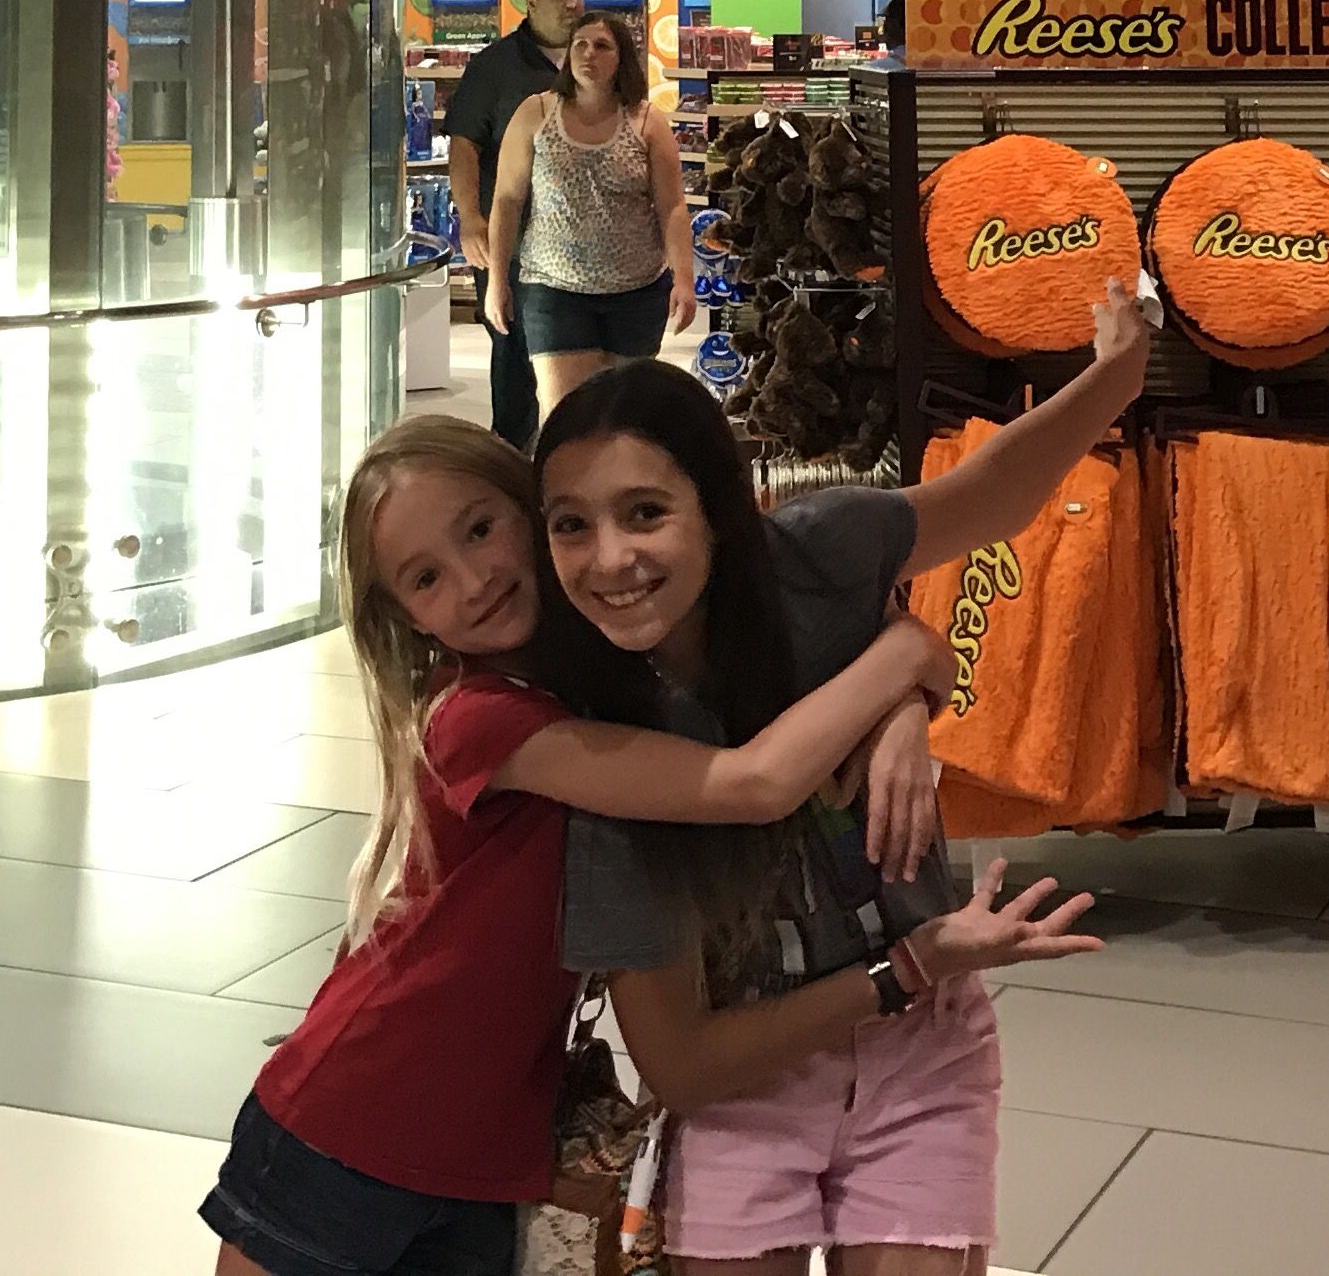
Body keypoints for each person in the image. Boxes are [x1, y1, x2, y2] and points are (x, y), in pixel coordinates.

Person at [204, 418, 1104, 1276]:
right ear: (406, 617)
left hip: (486, 1151)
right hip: (349, 1121)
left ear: (533, 510)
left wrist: (906, 686)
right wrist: (906, 660)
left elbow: (853, 627)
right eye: (427, 578)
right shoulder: (480, 717)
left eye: (480, 529)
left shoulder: (597, 677)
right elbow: (754, 782)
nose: (473, 580)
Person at [530, 284, 1155, 1276]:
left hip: (922, 1060)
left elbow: (994, 494)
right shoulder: (594, 743)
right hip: (748, 1079)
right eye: (571, 525)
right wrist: (906, 669)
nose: (611, 559)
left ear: (718, 513)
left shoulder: (812, 561)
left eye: (645, 512)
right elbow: (685, 1062)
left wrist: (1116, 374)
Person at [487, 7, 690, 414]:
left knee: (625, 414)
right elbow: (507, 200)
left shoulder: (647, 122)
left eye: (602, 46)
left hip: (637, 292)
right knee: (563, 412)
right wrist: (496, 279)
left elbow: (672, 207)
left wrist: (684, 279)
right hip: (554, 288)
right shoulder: (535, 113)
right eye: (579, 44)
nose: (588, 54)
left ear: (622, 58)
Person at [443, 0, 580, 448]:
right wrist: (470, 219)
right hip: (512, 241)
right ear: (531, 1)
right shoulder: (494, 67)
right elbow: (464, 146)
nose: (573, 2)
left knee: (575, 356)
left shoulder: (595, 60)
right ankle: (511, 457)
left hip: (582, 246)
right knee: (513, 351)